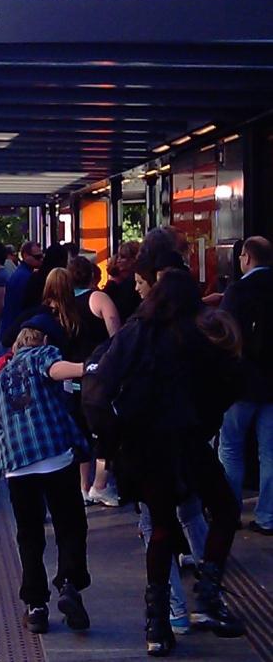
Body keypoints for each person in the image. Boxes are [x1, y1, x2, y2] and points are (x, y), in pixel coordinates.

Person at [83, 270, 245, 655]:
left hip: (142, 443)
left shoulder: (135, 332)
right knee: (223, 507)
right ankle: (207, 588)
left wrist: (111, 440)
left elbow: (99, 388)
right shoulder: (196, 334)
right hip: (187, 439)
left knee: (161, 526)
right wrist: (205, 421)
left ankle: (158, 621)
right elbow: (226, 384)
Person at [0, 322, 90, 635]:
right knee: (70, 525)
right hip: (55, 457)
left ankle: (36, 606)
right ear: (44, 341)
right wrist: (86, 368)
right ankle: (68, 584)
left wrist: (4, 456)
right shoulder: (44, 354)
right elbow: (55, 370)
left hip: (17, 468)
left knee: (29, 534)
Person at [218, 235, 273, 536]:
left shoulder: (238, 291)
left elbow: (223, 334)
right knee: (271, 452)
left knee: (231, 449)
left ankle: (228, 513)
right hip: (271, 385)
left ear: (247, 258)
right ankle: (268, 516)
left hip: (240, 385)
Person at [66, 256, 121, 506]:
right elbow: (116, 335)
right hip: (98, 373)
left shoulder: (63, 304)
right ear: (92, 275)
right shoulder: (97, 299)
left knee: (79, 432)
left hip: (71, 373)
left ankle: (82, 486)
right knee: (104, 430)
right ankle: (100, 484)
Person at [0, 241, 42, 352]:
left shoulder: (22, 274)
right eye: (37, 257)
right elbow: (19, 309)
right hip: (15, 332)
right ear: (25, 256)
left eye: (42, 256)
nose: (41, 260)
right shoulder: (25, 277)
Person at [104, 240, 142, 323]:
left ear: (133, 259)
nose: (118, 260)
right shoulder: (114, 284)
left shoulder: (136, 283)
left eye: (123, 257)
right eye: (118, 256)